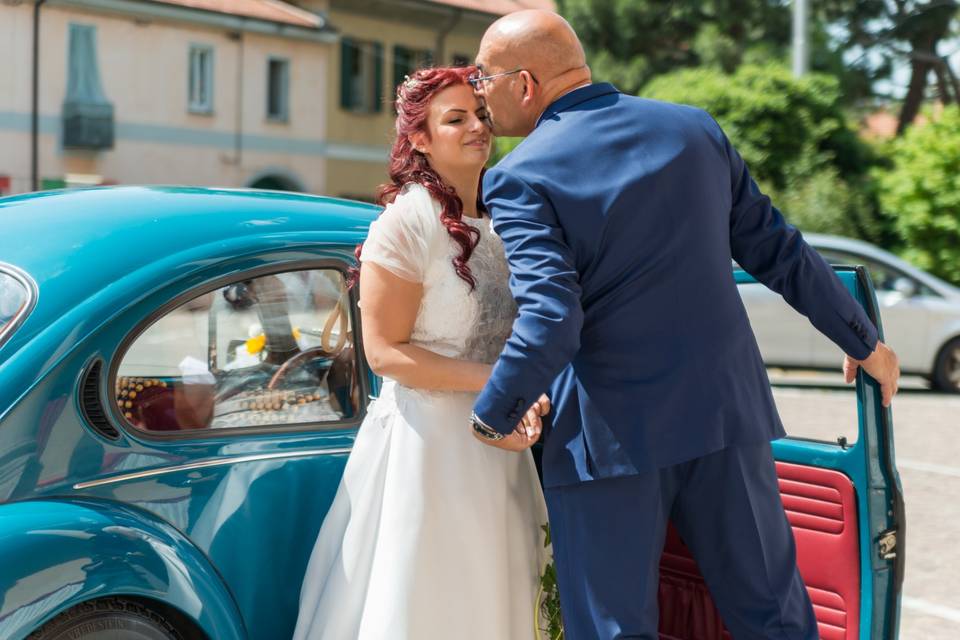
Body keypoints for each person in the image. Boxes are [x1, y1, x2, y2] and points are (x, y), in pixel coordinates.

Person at [467, 10, 901, 640]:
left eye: (483, 76)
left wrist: (491, 413)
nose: (479, 92)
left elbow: (553, 314)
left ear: (526, 84)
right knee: (774, 615)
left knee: (616, 629)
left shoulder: (520, 175)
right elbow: (779, 250)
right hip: (726, 414)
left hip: (608, 438)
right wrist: (863, 341)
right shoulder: (691, 129)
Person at [293, 66, 550, 640]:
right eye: (455, 118)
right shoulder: (406, 223)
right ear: (419, 139)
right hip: (428, 448)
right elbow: (384, 353)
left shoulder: (501, 217)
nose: (477, 127)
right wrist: (501, 381)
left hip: (499, 441)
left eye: (481, 115)